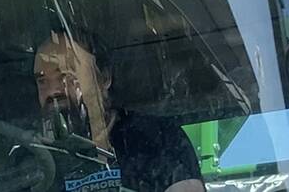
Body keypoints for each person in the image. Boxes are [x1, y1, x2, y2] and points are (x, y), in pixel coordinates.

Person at [33, 30, 205, 192]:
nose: (53, 90)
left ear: (105, 78)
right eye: (42, 81)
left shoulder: (158, 138)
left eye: (66, 75)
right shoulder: (34, 158)